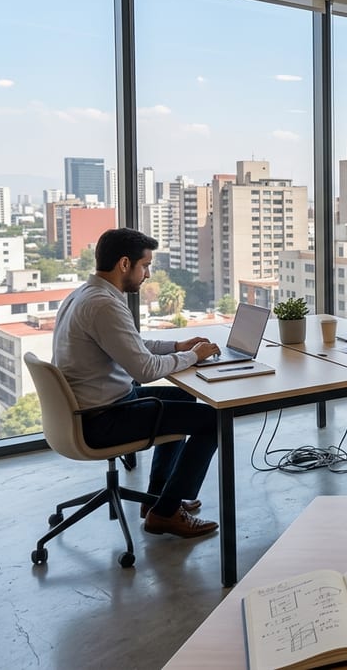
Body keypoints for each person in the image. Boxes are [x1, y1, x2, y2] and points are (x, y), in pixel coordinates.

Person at [53, 228, 221, 538]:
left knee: (184, 399)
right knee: (214, 421)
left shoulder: (84, 294)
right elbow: (144, 369)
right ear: (125, 264)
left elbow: (130, 344)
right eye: (145, 266)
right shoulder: (104, 305)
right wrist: (194, 357)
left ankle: (158, 499)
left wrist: (177, 348)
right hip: (103, 418)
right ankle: (166, 513)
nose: (147, 275)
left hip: (94, 407)